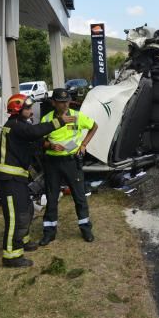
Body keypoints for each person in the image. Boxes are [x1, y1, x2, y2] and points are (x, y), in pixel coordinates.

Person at [0, 93, 71, 268]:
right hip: (10, 179)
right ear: (17, 110)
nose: (30, 111)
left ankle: (23, 241)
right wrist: (59, 121)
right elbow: (35, 132)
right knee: (15, 217)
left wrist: (51, 146)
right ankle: (11, 256)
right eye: (27, 108)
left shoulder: (19, 125)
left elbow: (34, 141)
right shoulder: (15, 126)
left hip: (17, 177)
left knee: (26, 210)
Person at [39, 87, 98, 244]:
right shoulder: (46, 119)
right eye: (61, 102)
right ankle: (49, 232)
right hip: (52, 163)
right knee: (51, 198)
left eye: (67, 102)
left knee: (79, 196)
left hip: (72, 161)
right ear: (53, 103)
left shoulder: (77, 116)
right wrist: (50, 146)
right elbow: (40, 141)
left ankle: (86, 229)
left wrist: (84, 144)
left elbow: (94, 126)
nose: (65, 105)